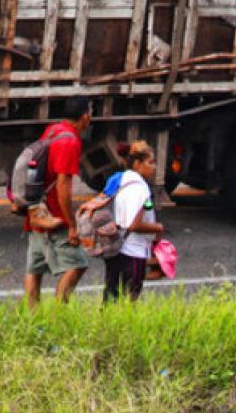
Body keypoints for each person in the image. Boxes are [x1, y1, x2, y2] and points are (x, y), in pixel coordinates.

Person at [23, 96, 93, 308]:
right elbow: (63, 186)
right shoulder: (70, 141)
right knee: (78, 264)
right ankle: (58, 313)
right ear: (85, 116)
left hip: (36, 210)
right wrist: (71, 224)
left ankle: (31, 318)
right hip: (53, 215)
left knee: (34, 267)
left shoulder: (53, 130)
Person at [104, 141, 162, 302]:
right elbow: (134, 225)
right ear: (137, 164)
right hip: (133, 254)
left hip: (117, 250)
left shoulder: (123, 182)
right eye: (150, 163)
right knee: (129, 301)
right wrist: (158, 228)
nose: (154, 167)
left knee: (110, 299)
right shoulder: (140, 188)